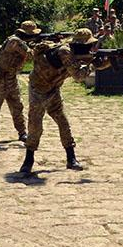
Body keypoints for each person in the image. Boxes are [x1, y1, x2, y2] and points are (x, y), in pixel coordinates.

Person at [19, 29, 112, 174]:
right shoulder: (64, 52)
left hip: (53, 89)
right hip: (38, 90)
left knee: (63, 122)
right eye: (89, 45)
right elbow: (79, 76)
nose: (91, 47)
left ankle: (71, 158)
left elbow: (92, 65)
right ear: (81, 45)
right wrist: (94, 64)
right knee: (35, 126)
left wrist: (111, 61)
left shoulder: (75, 53)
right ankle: (28, 160)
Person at [0, 21, 40, 143]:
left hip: (11, 78)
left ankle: (22, 132)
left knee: (17, 106)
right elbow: (31, 55)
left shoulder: (19, 41)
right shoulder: (15, 41)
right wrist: (41, 46)